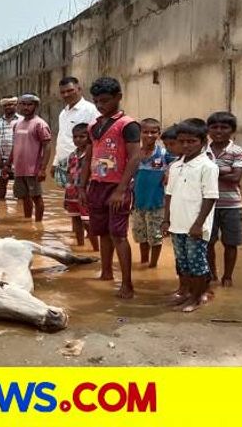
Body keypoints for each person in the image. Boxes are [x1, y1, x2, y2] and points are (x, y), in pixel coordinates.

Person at [78, 77, 141, 299]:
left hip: (117, 187)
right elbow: (88, 159)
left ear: (118, 98)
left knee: (119, 235)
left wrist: (122, 190)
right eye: (96, 101)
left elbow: (134, 158)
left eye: (104, 100)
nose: (100, 105)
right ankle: (106, 273)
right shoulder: (93, 125)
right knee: (102, 232)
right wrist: (82, 187)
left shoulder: (128, 125)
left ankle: (127, 284)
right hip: (97, 185)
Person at [162, 121, 219, 312]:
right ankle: (186, 292)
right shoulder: (176, 165)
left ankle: (196, 297)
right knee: (182, 261)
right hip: (177, 224)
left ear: (203, 142)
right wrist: (166, 219)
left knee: (197, 264)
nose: (186, 145)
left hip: (196, 226)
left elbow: (210, 198)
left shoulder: (207, 167)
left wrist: (198, 224)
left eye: (191, 141)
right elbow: (169, 195)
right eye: (182, 141)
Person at [206, 111, 242, 287]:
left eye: (224, 127)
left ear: (232, 130)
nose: (218, 131)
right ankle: (212, 275)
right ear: (208, 130)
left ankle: (228, 277)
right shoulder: (201, 150)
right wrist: (225, 170)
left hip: (231, 205)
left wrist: (210, 171)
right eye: (214, 127)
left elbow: (235, 178)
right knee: (208, 242)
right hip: (207, 205)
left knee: (231, 243)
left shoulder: (239, 151)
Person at [4, 93, 52, 221]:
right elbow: (16, 145)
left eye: (29, 104)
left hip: (33, 170)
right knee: (24, 197)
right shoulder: (17, 124)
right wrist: (8, 164)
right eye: (23, 104)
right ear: (19, 106)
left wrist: (43, 169)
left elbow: (47, 146)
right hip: (19, 169)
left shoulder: (40, 124)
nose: (26, 107)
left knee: (36, 197)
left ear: (36, 106)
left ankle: (38, 224)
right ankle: (27, 222)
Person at [132, 118, 169, 268]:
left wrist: (169, 172)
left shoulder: (164, 153)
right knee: (141, 236)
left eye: (153, 132)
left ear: (159, 134)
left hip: (157, 204)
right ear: (140, 133)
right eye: (145, 132)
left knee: (156, 236)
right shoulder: (134, 154)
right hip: (138, 204)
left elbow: (178, 163)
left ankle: (153, 266)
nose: (149, 135)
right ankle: (143, 262)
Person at [51, 77, 100, 188]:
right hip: (64, 163)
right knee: (69, 198)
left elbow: (96, 139)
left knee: (83, 196)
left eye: (70, 90)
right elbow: (61, 137)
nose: (66, 95)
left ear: (79, 89)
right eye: (63, 92)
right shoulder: (63, 113)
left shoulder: (91, 110)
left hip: (82, 163)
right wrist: (55, 162)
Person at [64, 123, 99, 250]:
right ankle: (80, 247)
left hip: (86, 194)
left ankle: (96, 249)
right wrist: (66, 197)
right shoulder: (72, 155)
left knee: (88, 222)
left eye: (82, 137)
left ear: (89, 137)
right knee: (76, 220)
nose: (78, 140)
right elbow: (69, 174)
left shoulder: (93, 155)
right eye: (75, 137)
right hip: (71, 194)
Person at [0, 95, 21, 200]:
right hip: (1, 159)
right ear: (3, 107)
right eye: (6, 105)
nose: (8, 107)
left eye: (11, 104)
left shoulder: (22, 121)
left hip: (18, 160)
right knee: (2, 184)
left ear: (16, 105)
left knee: (20, 187)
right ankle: (0, 208)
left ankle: (20, 212)